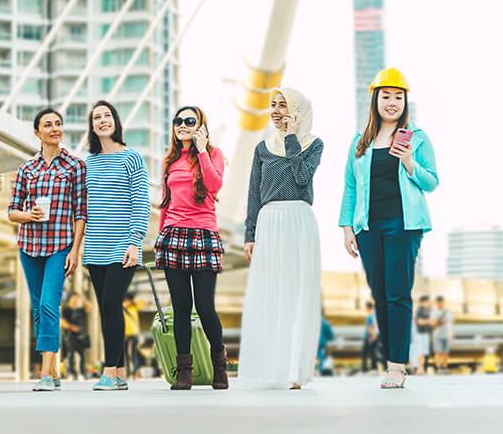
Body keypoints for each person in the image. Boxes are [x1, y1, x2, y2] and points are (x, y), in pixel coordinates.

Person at [339, 68, 439, 389]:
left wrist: (410, 162)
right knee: (380, 295)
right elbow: (350, 187)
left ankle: (397, 366)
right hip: (368, 227)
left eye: (398, 96)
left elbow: (432, 181)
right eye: (386, 96)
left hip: (404, 225)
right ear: (375, 100)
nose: (392, 102)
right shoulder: (360, 141)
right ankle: (390, 362)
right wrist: (347, 227)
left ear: (405, 101)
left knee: (398, 294)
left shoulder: (418, 138)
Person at [239, 87, 324, 390]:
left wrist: (291, 138)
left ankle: (294, 372)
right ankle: (271, 369)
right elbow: (253, 193)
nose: (275, 110)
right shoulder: (262, 147)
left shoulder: (313, 144)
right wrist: (249, 235)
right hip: (269, 222)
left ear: (297, 111)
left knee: (298, 294)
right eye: (273, 104)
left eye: (283, 105)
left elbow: (301, 178)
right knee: (271, 294)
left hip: (299, 222)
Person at [8, 108, 87, 392]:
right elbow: (11, 212)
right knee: (37, 308)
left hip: (60, 245)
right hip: (29, 246)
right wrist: (28, 215)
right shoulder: (26, 169)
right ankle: (53, 372)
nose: (54, 128)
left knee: (48, 304)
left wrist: (75, 250)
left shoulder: (75, 166)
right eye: (47, 124)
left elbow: (81, 212)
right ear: (37, 132)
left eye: (58, 124)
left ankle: (44, 375)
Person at [155, 106, 228, 390]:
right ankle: (184, 371)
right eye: (178, 120)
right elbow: (165, 203)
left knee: (205, 308)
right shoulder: (169, 161)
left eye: (189, 121)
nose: (182, 125)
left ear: (200, 126)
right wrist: (160, 237)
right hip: (174, 235)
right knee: (180, 308)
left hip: (204, 235)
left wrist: (201, 150)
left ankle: (219, 365)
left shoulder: (214, 154)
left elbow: (213, 186)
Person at [82, 100, 150, 391]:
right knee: (107, 308)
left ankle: (109, 371)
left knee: (111, 304)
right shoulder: (87, 163)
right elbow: (82, 208)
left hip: (122, 246)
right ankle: (120, 373)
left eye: (107, 115)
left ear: (115, 121)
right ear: (92, 126)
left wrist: (135, 242)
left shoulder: (132, 157)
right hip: (95, 249)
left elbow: (141, 204)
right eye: (97, 117)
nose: (102, 120)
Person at [60, 292, 91, 380]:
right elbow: (62, 322)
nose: (76, 300)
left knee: (82, 355)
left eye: (77, 299)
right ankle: (71, 373)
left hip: (81, 335)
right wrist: (72, 327)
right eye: (74, 298)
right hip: (70, 335)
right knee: (71, 354)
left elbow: (89, 307)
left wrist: (83, 298)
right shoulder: (66, 310)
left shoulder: (80, 310)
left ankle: (81, 373)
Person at [123, 292, 146, 379]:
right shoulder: (123, 308)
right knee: (126, 354)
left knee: (133, 354)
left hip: (134, 333)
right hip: (125, 334)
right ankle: (129, 372)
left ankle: (134, 371)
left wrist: (134, 301)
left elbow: (144, 301)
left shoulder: (134, 307)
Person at [432, 295, 454, 373]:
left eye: (441, 302)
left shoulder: (448, 311)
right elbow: (432, 323)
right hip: (437, 335)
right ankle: (438, 368)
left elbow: (450, 322)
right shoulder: (434, 311)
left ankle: (444, 367)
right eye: (438, 303)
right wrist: (440, 321)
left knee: (445, 352)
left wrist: (452, 333)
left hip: (447, 334)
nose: (440, 304)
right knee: (438, 351)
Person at [362, 301, 380, 372]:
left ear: (368, 307)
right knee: (372, 353)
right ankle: (373, 368)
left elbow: (370, 328)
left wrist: (372, 337)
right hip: (373, 336)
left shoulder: (370, 316)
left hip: (368, 337)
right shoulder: (374, 315)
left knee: (366, 353)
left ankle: (367, 368)